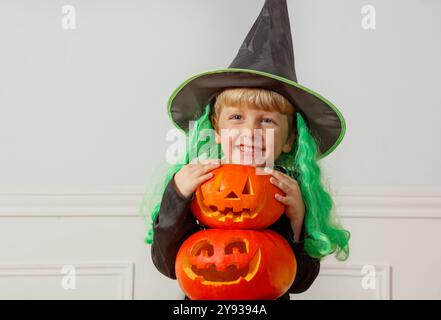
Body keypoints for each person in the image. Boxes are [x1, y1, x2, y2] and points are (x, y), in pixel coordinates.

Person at [142, 0, 350, 300]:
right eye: (236, 117)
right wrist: (177, 194)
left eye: (266, 121)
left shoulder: (285, 189)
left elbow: (301, 281)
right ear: (216, 128)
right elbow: (166, 264)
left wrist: (297, 221)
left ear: (290, 139)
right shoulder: (198, 181)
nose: (250, 132)